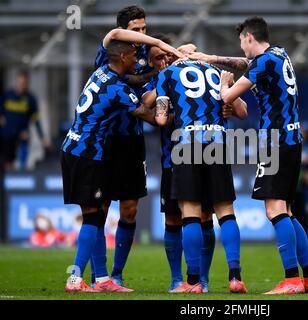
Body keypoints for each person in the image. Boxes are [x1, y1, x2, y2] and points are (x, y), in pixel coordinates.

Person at [219, 16, 308, 294]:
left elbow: (229, 97)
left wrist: (223, 84)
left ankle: (291, 280)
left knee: (274, 209)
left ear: (249, 38)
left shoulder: (262, 62)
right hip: (291, 140)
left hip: (274, 142)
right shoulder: (279, 54)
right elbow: (247, 64)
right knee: (287, 211)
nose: (241, 46)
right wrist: (211, 57)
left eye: (242, 40)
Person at [90, 5, 183, 289]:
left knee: (129, 209)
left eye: (145, 29)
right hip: (105, 140)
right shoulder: (111, 50)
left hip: (132, 140)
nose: (142, 35)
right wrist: (155, 46)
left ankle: (116, 274)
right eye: (136, 30)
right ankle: (99, 275)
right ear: (124, 30)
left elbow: (150, 99)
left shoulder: (146, 58)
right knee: (100, 208)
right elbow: (126, 78)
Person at [62, 40, 162, 293]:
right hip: (88, 154)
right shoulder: (117, 88)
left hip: (73, 149)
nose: (135, 60)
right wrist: (164, 98)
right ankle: (76, 278)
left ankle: (102, 279)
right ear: (123, 57)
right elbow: (149, 116)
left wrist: (156, 74)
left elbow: (136, 82)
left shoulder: (101, 73)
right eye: (132, 56)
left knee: (93, 216)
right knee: (93, 217)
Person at [154, 52, 248, 294]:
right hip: (217, 140)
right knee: (226, 211)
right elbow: (242, 111)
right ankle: (235, 277)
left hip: (186, 142)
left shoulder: (167, 74)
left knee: (191, 212)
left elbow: (161, 119)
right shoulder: (215, 72)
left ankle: (193, 282)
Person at [141, 35, 218, 293]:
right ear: (150, 62)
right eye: (157, 58)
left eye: (165, 55)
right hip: (170, 160)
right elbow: (146, 106)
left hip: (200, 154)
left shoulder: (188, 72)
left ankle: (201, 279)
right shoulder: (157, 81)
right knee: (173, 219)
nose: (163, 61)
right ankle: (177, 279)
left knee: (205, 216)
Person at [0, 70, 50, 171]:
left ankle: (21, 176)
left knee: (22, 161)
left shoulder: (30, 99)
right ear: (16, 82)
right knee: (7, 162)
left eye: (24, 83)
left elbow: (36, 120)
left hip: (22, 135)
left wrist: (43, 138)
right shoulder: (7, 95)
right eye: (20, 83)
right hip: (7, 135)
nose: (22, 85)